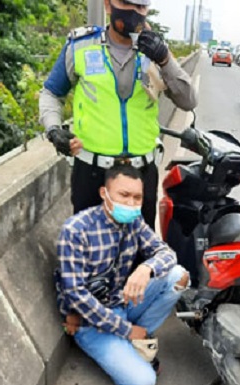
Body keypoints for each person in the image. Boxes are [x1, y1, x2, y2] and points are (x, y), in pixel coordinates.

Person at [39, 0, 197, 230]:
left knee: (139, 249)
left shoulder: (155, 52)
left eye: (141, 7)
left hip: (141, 175)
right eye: (126, 3)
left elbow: (188, 100)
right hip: (91, 175)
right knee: (90, 247)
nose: (135, 11)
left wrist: (164, 59)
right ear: (108, 5)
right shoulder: (81, 46)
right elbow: (51, 93)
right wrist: (53, 129)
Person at [55, 163, 190, 385]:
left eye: (137, 197)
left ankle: (135, 339)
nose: (130, 203)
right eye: (124, 195)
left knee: (178, 275)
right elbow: (75, 294)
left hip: (121, 302)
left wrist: (145, 269)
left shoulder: (134, 222)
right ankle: (133, 340)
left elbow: (167, 254)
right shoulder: (76, 230)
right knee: (143, 384)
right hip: (92, 320)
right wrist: (126, 330)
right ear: (104, 193)